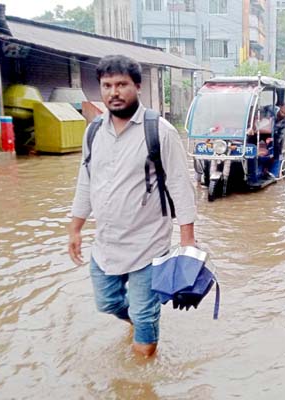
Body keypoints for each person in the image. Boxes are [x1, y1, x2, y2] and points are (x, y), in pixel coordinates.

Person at [68, 55, 197, 358]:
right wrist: (75, 227)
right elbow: (86, 179)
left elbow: (179, 184)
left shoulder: (160, 131)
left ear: (137, 86)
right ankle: (140, 319)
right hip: (107, 243)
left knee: (143, 318)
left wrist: (187, 240)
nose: (114, 92)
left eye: (122, 84)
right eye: (107, 85)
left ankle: (142, 375)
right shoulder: (94, 131)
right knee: (108, 303)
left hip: (147, 244)